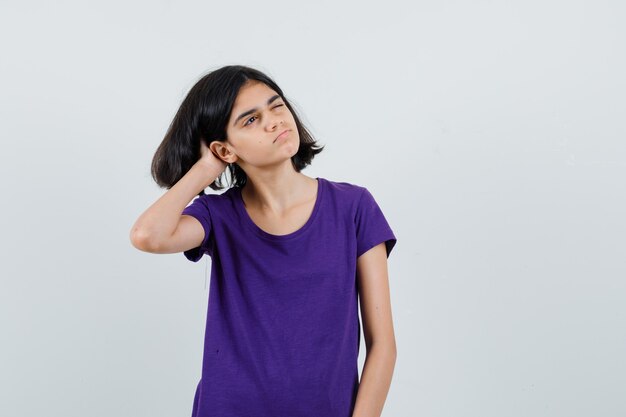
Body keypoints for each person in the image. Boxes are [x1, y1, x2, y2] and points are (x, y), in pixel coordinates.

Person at [129, 65, 398, 417]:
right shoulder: (217, 216)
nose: (274, 121)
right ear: (225, 150)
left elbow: (383, 346)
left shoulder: (353, 207)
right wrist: (206, 169)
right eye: (250, 120)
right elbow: (148, 235)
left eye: (276, 106)